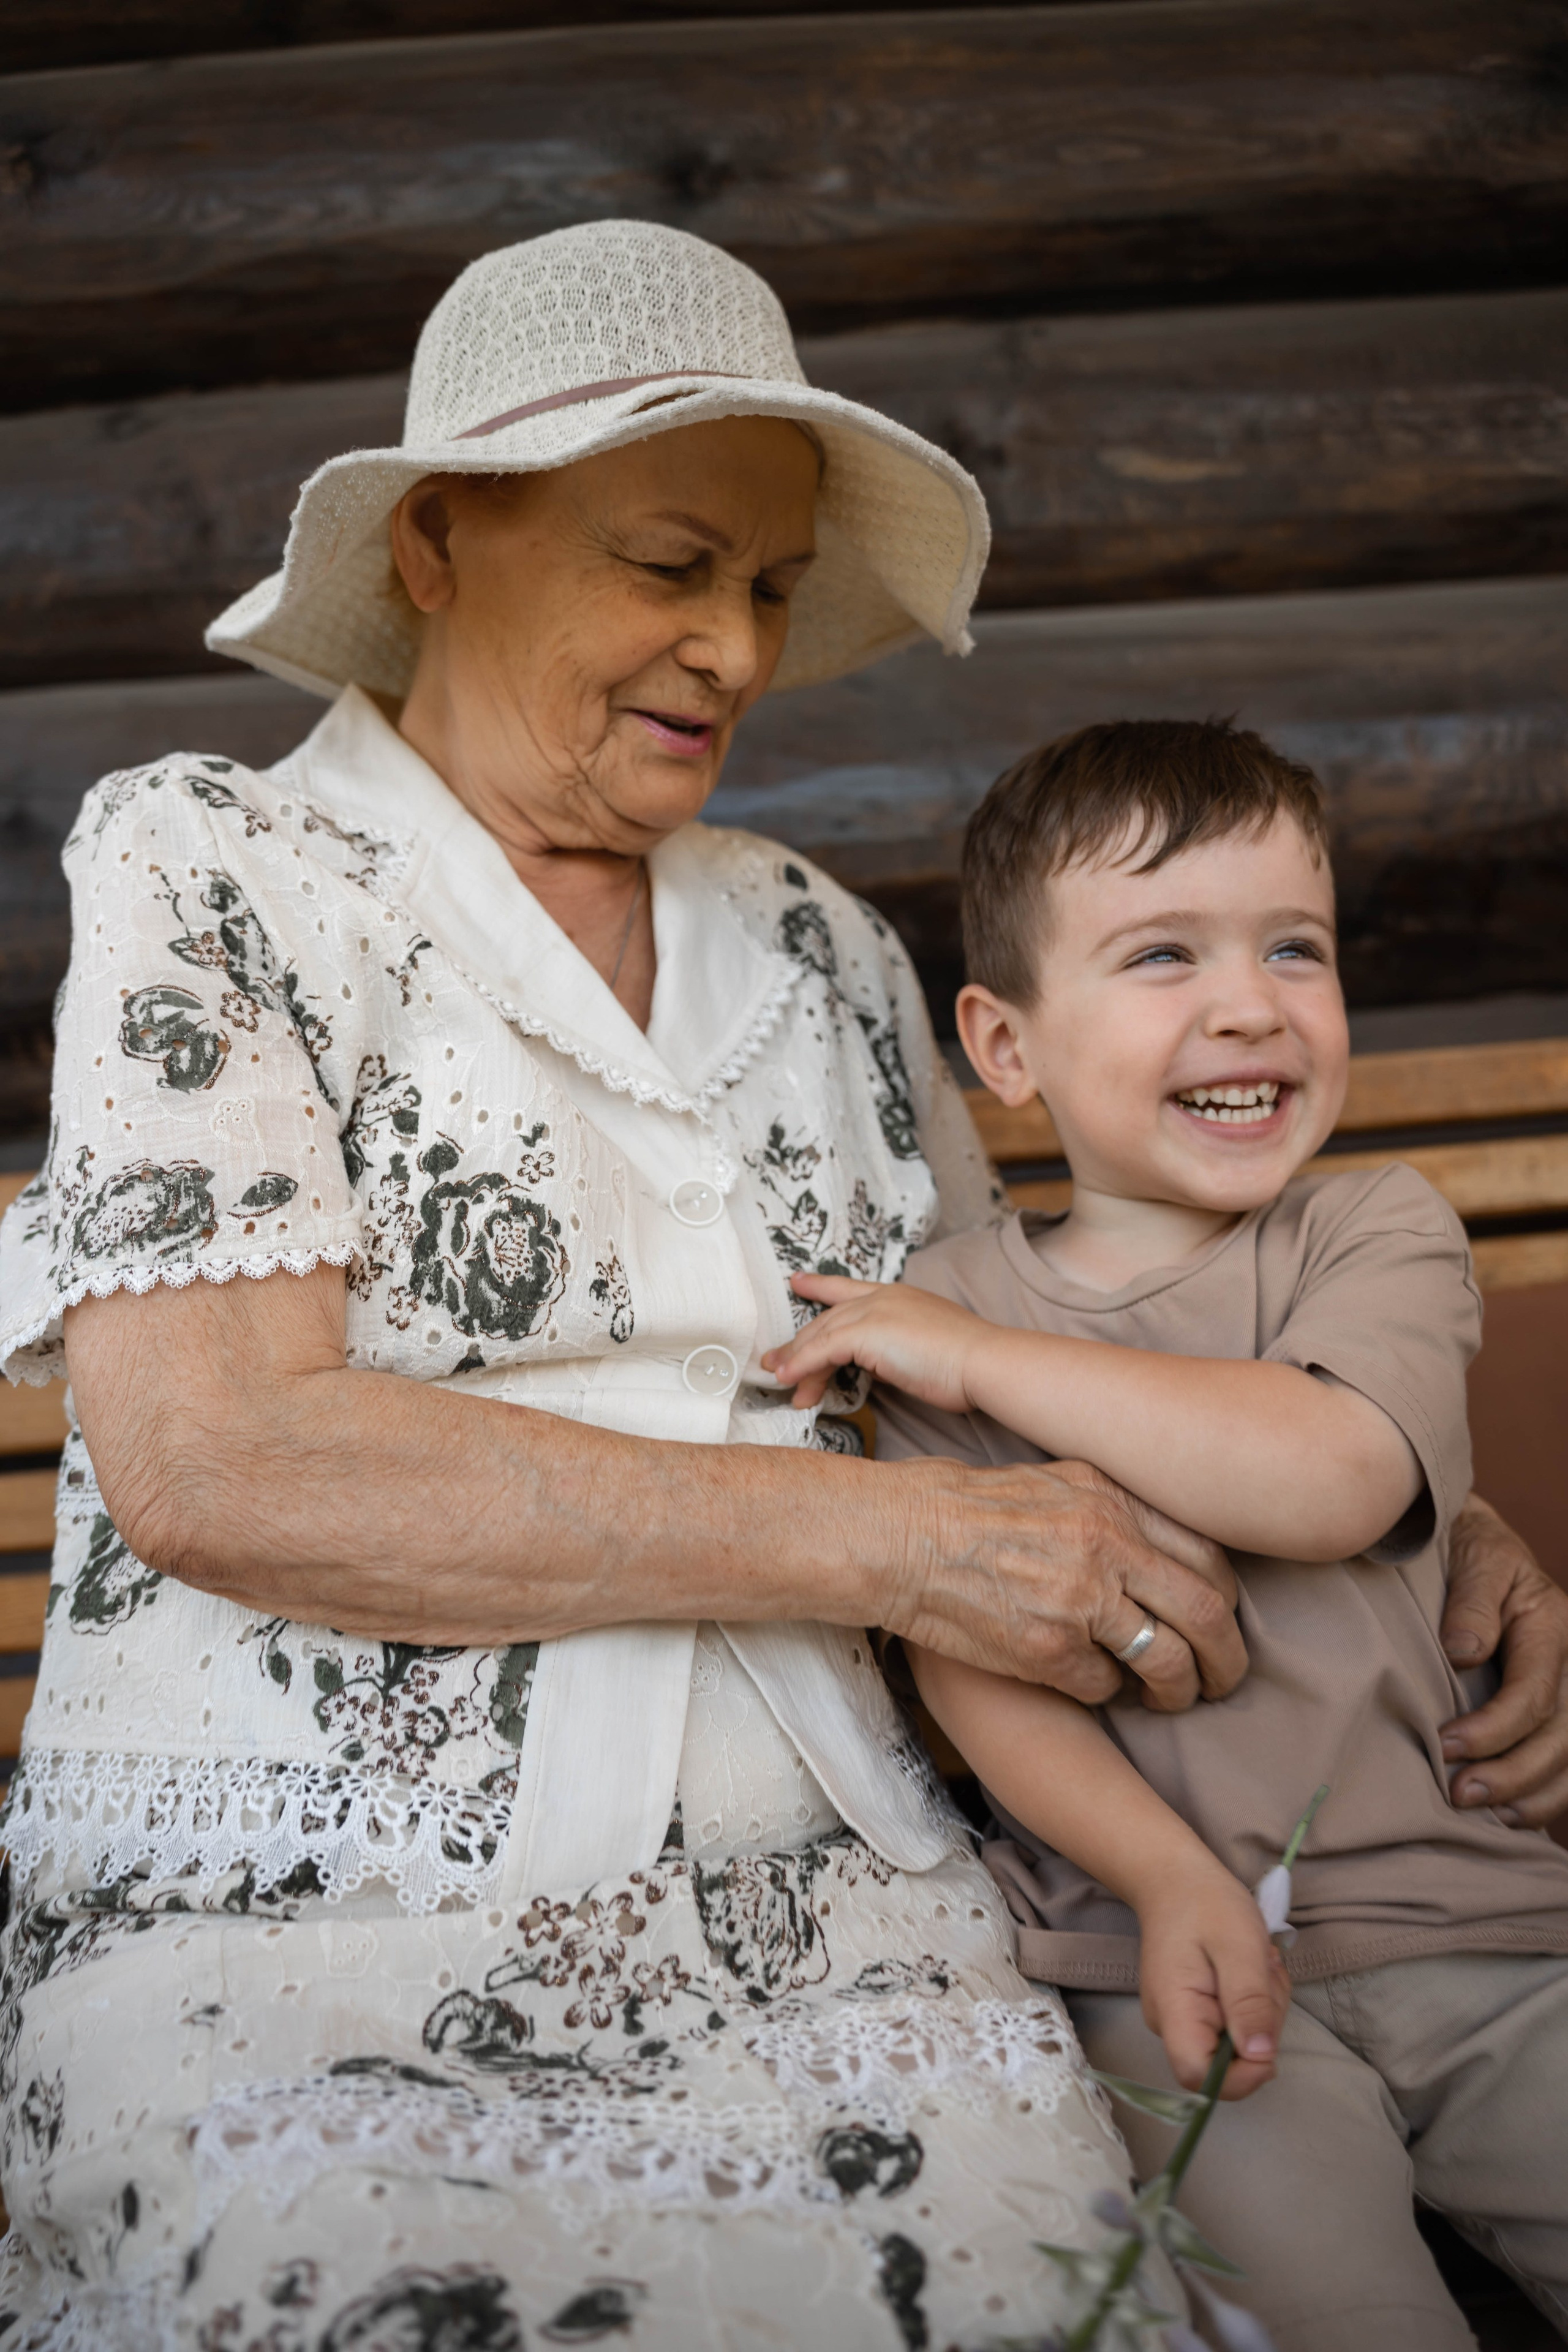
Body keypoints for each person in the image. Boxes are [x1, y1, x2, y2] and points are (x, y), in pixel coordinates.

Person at [0, 224, 1559, 2350]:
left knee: (1044, 2314)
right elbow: (220, 1460)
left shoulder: (820, 940)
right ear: (438, 542)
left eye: (769, 587)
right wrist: (898, 1548)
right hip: (320, 1911)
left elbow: (1048, 1337)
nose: (733, 648)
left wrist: (1427, 1514)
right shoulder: (218, 865)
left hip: (853, 1910)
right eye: (672, 565)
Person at [764, 718, 1568, 2351]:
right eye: (1161, 955)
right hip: (1155, 1960)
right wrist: (1163, 1876)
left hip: (1483, 1928)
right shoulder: (949, 1306)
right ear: (1007, 1046)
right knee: (1339, 2319)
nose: (1249, 1004)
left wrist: (988, 1366)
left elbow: (1331, 1475)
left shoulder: (1373, 1231)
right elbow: (976, 1670)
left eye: (1295, 947)